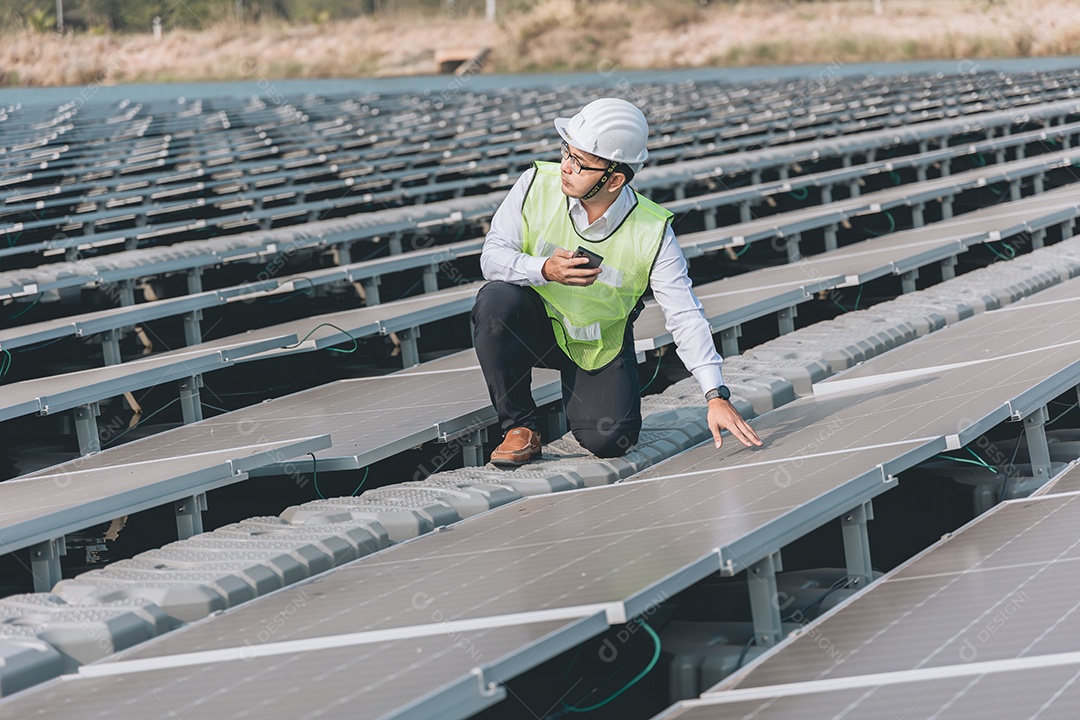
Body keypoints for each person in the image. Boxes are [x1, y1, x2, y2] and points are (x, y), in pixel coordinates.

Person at [472, 97, 762, 466]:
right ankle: (520, 427)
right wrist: (543, 269)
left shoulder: (652, 230)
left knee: (610, 441)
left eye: (580, 162)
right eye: (566, 152)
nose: (565, 166)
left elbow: (684, 314)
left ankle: (590, 393)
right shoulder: (533, 184)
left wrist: (715, 394)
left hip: (597, 344)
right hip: (535, 330)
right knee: (495, 301)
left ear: (616, 178)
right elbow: (491, 257)